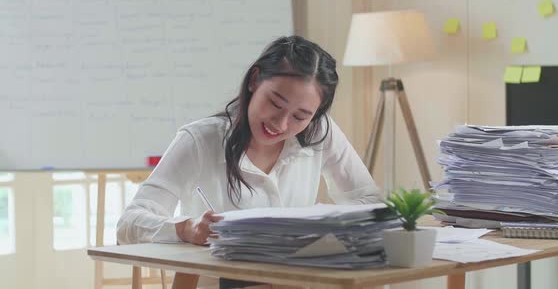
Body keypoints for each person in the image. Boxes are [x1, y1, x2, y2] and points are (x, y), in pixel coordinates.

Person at [116, 35, 382, 287]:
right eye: (275, 103)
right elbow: (129, 223)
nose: (281, 123)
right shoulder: (201, 140)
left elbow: (372, 204)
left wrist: (320, 221)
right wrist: (187, 228)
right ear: (255, 80)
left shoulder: (320, 132)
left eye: (300, 117)